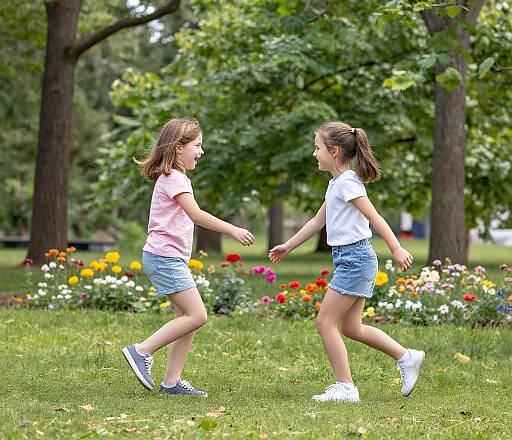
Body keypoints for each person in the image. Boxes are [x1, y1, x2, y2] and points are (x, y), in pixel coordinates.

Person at [269, 121, 424, 403]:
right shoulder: (336, 184)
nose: (314, 153)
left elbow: (375, 217)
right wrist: (288, 247)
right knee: (352, 327)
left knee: (325, 322)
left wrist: (397, 248)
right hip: (350, 259)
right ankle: (406, 356)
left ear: (335, 151)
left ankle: (346, 387)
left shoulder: (349, 184)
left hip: (356, 259)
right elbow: (318, 221)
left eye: (317, 148)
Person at [122, 118, 254, 397]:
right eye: (197, 145)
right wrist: (233, 229)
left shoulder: (173, 177)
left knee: (188, 316)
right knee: (197, 315)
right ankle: (141, 350)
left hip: (167, 257)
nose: (201, 151)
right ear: (178, 148)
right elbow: (196, 214)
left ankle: (172, 382)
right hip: (164, 257)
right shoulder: (174, 178)